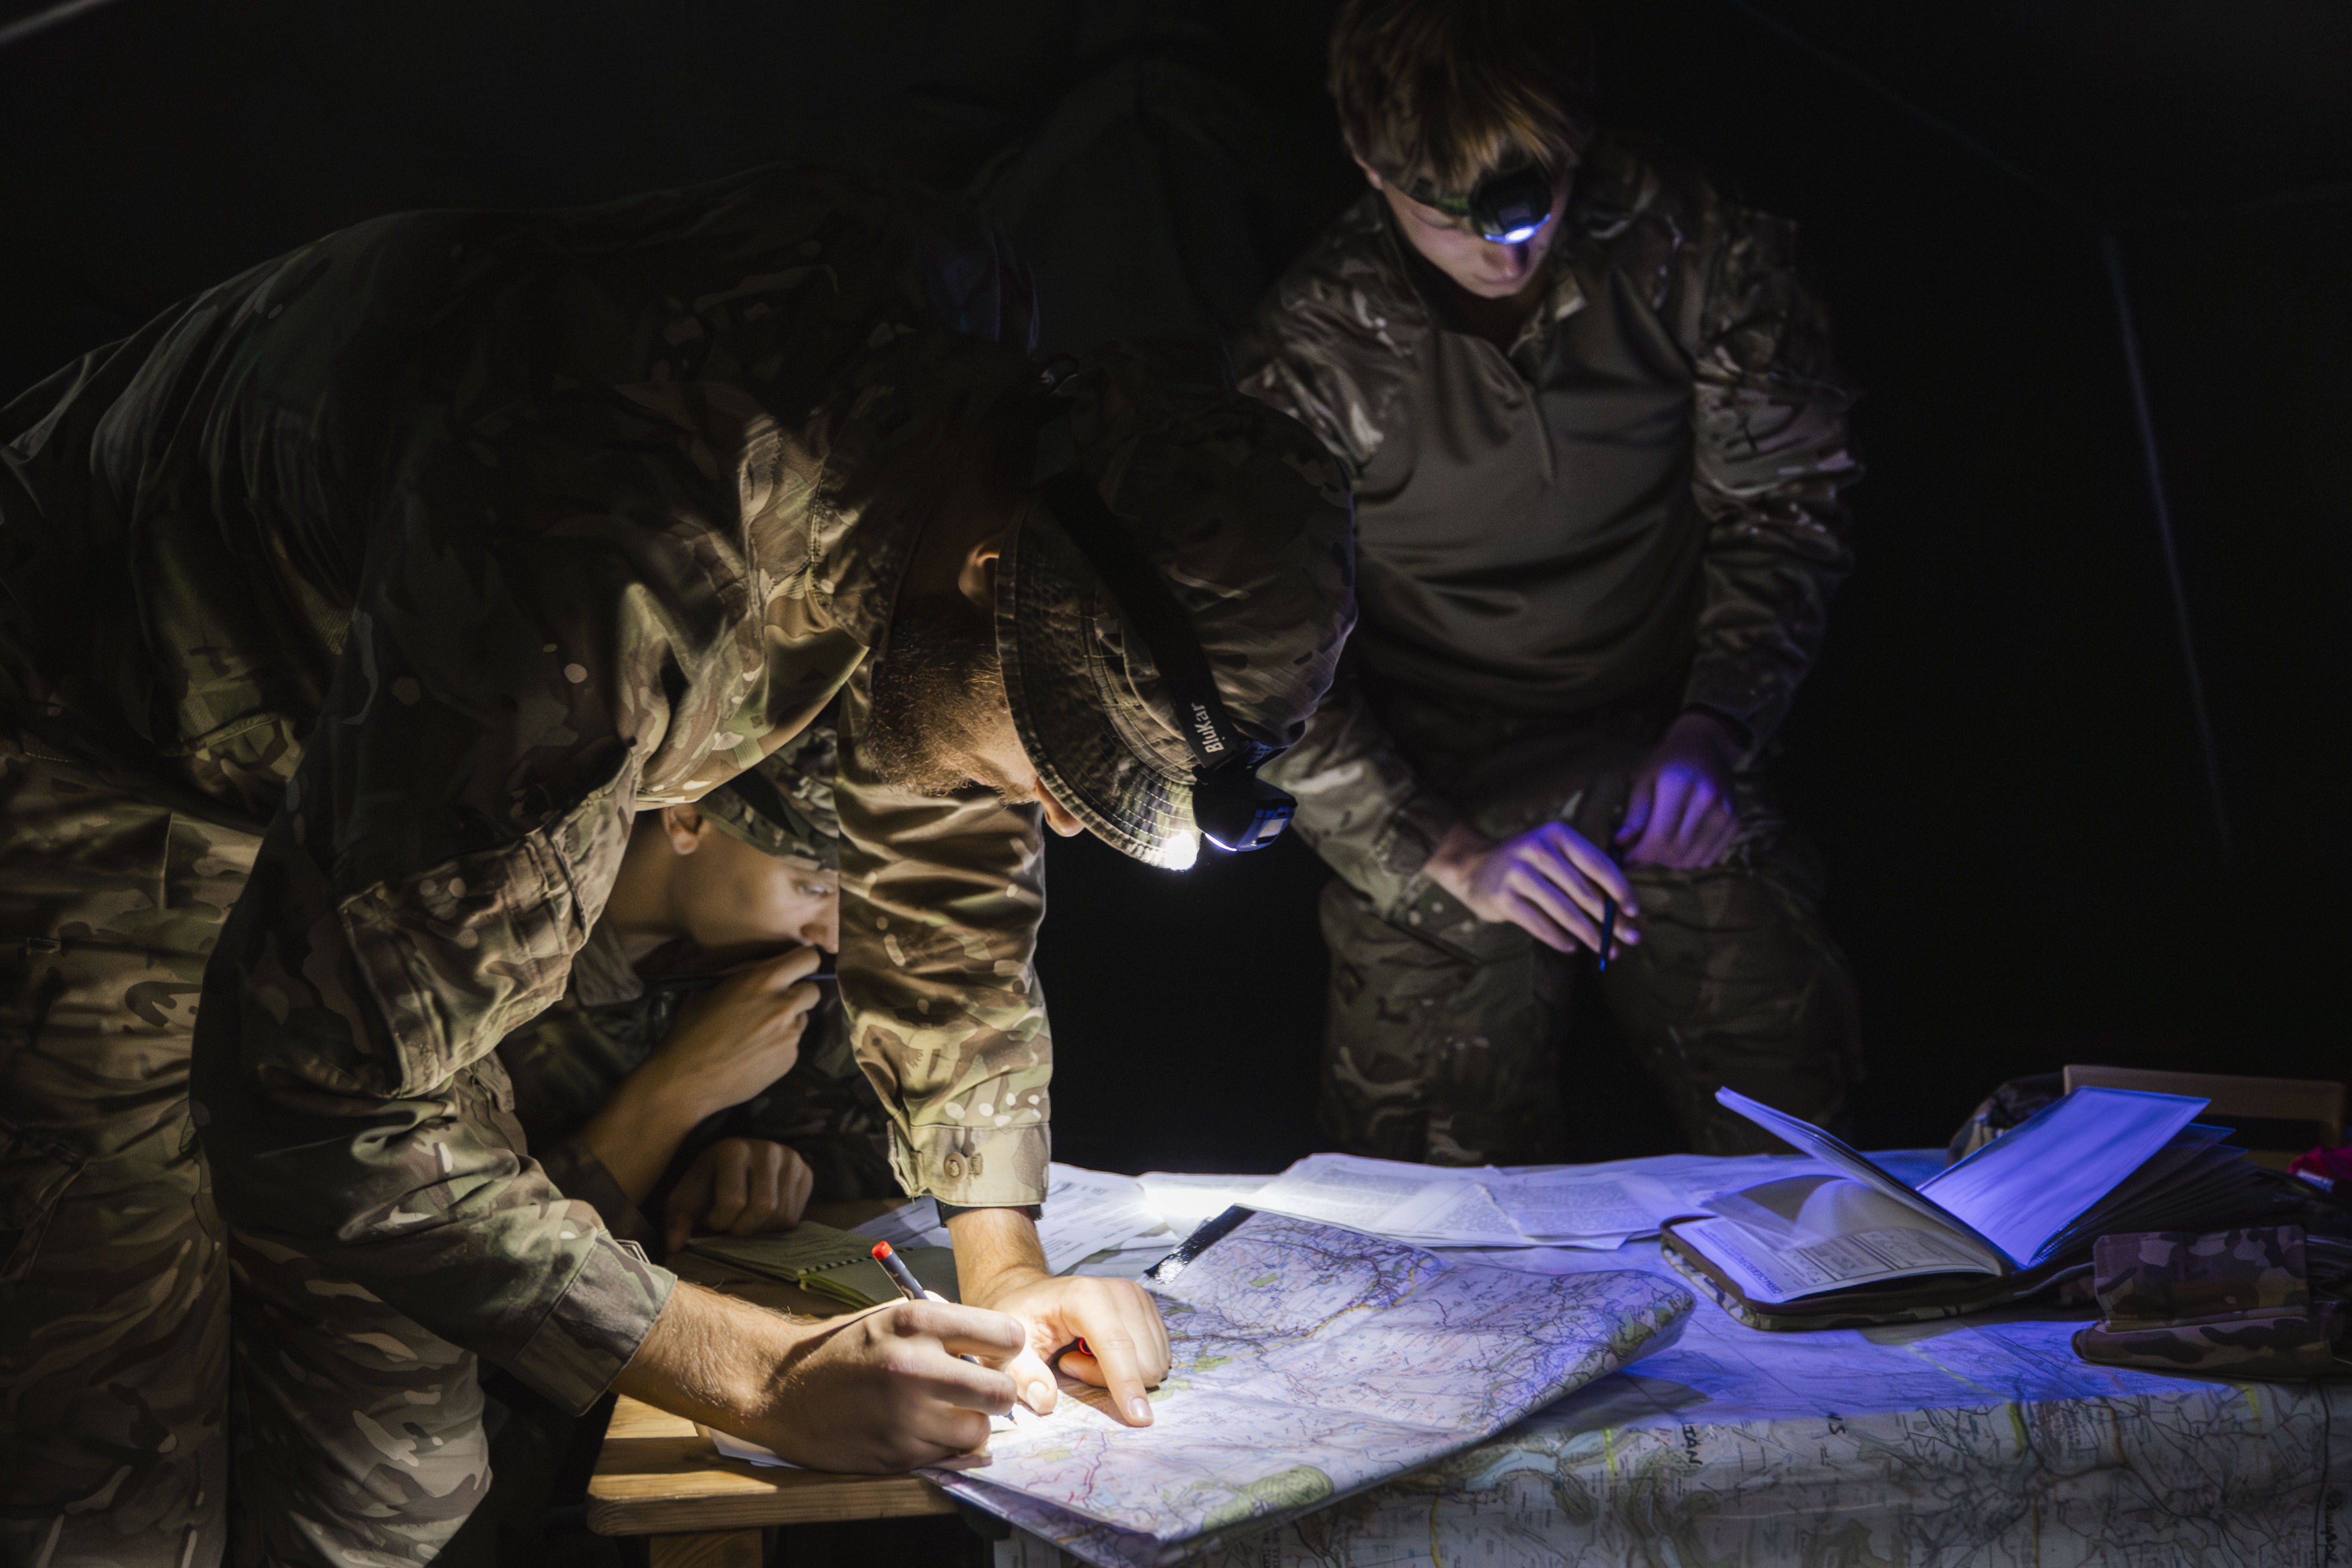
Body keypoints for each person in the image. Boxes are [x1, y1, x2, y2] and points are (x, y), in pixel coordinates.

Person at [0, 165, 1353, 1566]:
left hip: (388, 786)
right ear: (990, 571)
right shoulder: (618, 539)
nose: (1062, 820)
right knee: (110, 1458)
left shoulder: (999, 443)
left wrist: (1004, 1256)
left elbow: (941, 813)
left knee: (390, 1476)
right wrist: (763, 1378)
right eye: (1062, 759)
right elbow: (319, 1092)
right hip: (83, 752)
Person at [1237, 0, 1862, 1168]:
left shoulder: (1698, 247)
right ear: (1370, 164)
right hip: (1431, 777)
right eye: (1453, 218)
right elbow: (1261, 672)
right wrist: (1442, 850)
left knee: (1808, 1152)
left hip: (1665, 742)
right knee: (1422, 1203)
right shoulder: (1309, 359)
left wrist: (1715, 727)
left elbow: (1786, 509)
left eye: (1539, 201)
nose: (1506, 251)